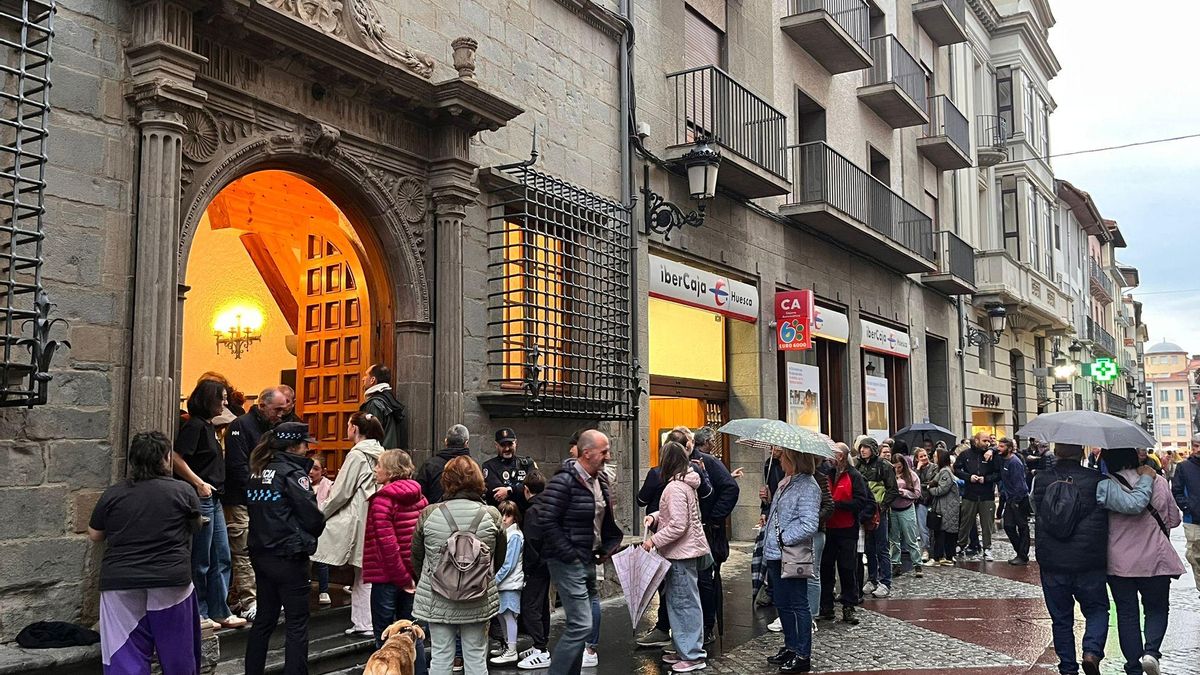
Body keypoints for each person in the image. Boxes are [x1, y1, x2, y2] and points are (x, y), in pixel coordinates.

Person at [1032, 443, 1156, 675]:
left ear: (1056, 453)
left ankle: (1068, 668)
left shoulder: (1039, 480)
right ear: (1081, 453)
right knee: (1098, 609)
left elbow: (1035, 508)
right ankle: (1091, 651)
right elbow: (1133, 504)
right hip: (1088, 561)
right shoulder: (1098, 481)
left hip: (1052, 561)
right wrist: (1148, 478)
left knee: (1060, 618)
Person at [90, 432, 203, 674]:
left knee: (125, 650)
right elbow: (196, 527)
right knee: (178, 652)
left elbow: (95, 534)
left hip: (121, 579)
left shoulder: (114, 493)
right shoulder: (183, 491)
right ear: (166, 458)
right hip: (170, 578)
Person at [243, 422, 325, 675]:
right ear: (295, 445)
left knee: (264, 621)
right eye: (305, 445)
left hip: (261, 552)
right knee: (296, 624)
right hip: (289, 554)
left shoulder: (258, 470)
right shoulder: (293, 474)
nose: (307, 450)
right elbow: (312, 517)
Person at [412, 456, 506, 675]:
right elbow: (499, 556)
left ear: (446, 481)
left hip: (438, 596)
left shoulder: (429, 513)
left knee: (441, 656)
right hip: (477, 595)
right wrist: (482, 576)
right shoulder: (491, 515)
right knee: (475, 656)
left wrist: (428, 578)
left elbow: (416, 555)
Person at [539, 430, 622, 675]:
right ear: (587, 453)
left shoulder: (600, 480)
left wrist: (605, 547)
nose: (608, 456)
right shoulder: (563, 481)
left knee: (581, 626)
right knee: (581, 624)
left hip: (588, 558)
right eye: (604, 452)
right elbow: (547, 521)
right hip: (567, 562)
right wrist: (569, 554)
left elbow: (602, 519)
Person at [1102, 448, 1184, 675]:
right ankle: (1151, 652)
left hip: (1119, 562)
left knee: (1127, 614)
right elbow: (1174, 520)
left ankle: (1133, 665)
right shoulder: (1157, 481)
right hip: (1155, 559)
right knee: (1157, 609)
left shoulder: (1106, 485)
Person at [174, 379, 246, 630]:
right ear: (209, 399)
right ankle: (199, 610)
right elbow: (175, 457)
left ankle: (219, 609)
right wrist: (198, 483)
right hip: (203, 497)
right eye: (222, 397)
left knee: (221, 556)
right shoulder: (195, 427)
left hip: (213, 497)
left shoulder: (208, 428)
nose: (225, 402)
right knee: (202, 558)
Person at [312, 412, 386, 637]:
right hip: (374, 513)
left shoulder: (357, 455)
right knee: (366, 571)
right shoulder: (381, 453)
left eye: (348, 425)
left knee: (362, 572)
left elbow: (342, 491)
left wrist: (321, 513)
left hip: (358, 516)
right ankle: (364, 620)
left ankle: (364, 622)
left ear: (354, 428)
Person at [643, 441, 711, 673]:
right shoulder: (684, 485)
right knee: (682, 603)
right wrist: (654, 517)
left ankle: (692, 655)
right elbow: (673, 517)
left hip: (679, 554)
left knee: (683, 604)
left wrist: (654, 540)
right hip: (682, 552)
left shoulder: (674, 488)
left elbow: (677, 526)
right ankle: (685, 649)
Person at [224, 386, 289, 621]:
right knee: (242, 549)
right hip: (241, 499)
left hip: (261, 499)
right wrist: (259, 489)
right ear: (262, 406)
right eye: (277, 409)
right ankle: (249, 600)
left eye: (284, 409)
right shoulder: (241, 426)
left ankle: (238, 597)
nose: (281, 414)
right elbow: (237, 466)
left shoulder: (271, 429)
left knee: (257, 549)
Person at [762, 448, 821, 674]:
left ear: (793, 459)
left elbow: (808, 524)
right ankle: (790, 646)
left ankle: (802, 653)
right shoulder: (786, 482)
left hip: (790, 553)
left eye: (783, 457)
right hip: (776, 553)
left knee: (797, 603)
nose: (779, 461)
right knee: (782, 602)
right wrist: (768, 500)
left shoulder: (808, 486)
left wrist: (782, 538)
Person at [363, 450, 428, 652]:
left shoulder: (382, 500)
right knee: (411, 636)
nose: (375, 469)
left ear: (391, 471)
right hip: (413, 575)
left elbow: (388, 546)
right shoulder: (421, 498)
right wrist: (412, 576)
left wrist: (403, 580)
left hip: (388, 578)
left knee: (385, 639)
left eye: (379, 465)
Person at [817, 443, 870, 625]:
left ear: (841, 456)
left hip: (847, 528)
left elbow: (862, 501)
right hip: (829, 528)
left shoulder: (855, 476)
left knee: (847, 568)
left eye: (833, 454)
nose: (829, 457)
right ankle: (826, 606)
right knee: (826, 567)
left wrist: (839, 505)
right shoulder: (827, 474)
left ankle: (849, 606)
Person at [517, 470, 552, 670]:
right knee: (541, 606)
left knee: (530, 606)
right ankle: (541, 644)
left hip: (537, 566)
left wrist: (527, 570)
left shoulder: (532, 512)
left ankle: (541, 648)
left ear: (526, 490)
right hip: (550, 563)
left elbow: (531, 543)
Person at [855, 435, 896, 598]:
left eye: (865, 447)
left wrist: (883, 507)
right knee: (868, 548)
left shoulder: (884, 466)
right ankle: (872, 578)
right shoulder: (858, 465)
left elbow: (893, 490)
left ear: (872, 449)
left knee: (882, 547)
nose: (862, 450)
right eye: (861, 447)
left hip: (879, 512)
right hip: (865, 512)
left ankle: (885, 581)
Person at [489, 501, 527, 665]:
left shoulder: (514, 535)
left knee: (509, 615)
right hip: (505, 582)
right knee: (503, 615)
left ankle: (511, 650)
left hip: (509, 583)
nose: (504, 519)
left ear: (514, 517)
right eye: (502, 514)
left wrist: (494, 581)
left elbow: (509, 565)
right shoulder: (506, 533)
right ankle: (508, 647)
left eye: (508, 515)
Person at [954, 432, 1000, 562]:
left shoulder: (992, 455)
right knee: (965, 521)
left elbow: (998, 473)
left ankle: (987, 548)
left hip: (986, 494)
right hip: (970, 493)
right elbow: (957, 469)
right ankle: (961, 545)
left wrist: (985, 479)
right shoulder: (966, 454)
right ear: (976, 441)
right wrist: (969, 477)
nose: (987, 443)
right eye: (984, 441)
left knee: (987, 524)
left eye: (988, 441)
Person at [416, 424, 477, 504]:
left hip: (436, 513)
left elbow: (420, 493)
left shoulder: (430, 465)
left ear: (446, 441)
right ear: (466, 443)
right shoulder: (472, 466)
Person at [483, 428, 538, 510]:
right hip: (502, 517)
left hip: (526, 515)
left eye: (510, 444)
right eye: (503, 445)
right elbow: (499, 493)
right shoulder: (489, 466)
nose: (507, 449)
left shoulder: (527, 463)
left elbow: (535, 484)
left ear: (515, 443)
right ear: (496, 445)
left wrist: (509, 490)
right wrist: (522, 488)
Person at [1173, 434, 1200, 595]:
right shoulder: (1184, 467)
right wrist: (1186, 506)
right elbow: (1176, 490)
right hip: (1193, 521)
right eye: (1196, 446)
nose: (1198, 450)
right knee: (1195, 557)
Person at [889, 454, 923, 578]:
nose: (897, 470)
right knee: (894, 539)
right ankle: (895, 563)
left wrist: (903, 492)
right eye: (895, 467)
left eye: (899, 467)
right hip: (893, 508)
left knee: (911, 537)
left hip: (906, 508)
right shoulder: (890, 474)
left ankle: (917, 564)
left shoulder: (912, 475)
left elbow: (917, 493)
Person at [360, 363, 409, 450]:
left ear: (372, 380)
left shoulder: (375, 403)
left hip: (379, 457)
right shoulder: (389, 399)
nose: (363, 379)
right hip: (390, 456)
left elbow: (371, 438)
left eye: (366, 375)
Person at [998, 437, 1031, 565]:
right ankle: (1020, 552)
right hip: (1010, 498)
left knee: (1022, 526)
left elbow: (1020, 484)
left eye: (1002, 447)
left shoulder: (1014, 462)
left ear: (1010, 449)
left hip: (1018, 499)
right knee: (1008, 526)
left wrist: (1017, 500)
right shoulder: (1003, 459)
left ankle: (1023, 555)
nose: (999, 449)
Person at [926, 447, 961, 566]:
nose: (934, 458)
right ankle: (944, 556)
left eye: (936, 456)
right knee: (943, 533)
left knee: (942, 533)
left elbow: (942, 489)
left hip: (946, 507)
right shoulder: (942, 471)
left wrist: (930, 489)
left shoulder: (945, 472)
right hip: (945, 506)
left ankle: (940, 557)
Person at [308, 456, 333, 605]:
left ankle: (324, 590)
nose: (311, 472)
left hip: (322, 527)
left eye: (315, 469)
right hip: (305, 527)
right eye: (309, 468)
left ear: (323, 471)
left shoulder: (329, 486)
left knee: (322, 560)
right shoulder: (301, 484)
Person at [915, 446, 938, 562]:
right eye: (921, 456)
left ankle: (935, 550)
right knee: (922, 526)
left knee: (933, 526)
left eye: (925, 455)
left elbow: (933, 482)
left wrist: (924, 485)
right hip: (921, 500)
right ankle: (925, 549)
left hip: (933, 499)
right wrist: (918, 470)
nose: (924, 458)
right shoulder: (915, 470)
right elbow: (914, 483)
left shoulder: (934, 467)